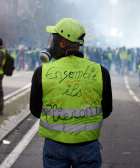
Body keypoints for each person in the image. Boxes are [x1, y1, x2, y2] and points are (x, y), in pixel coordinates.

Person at [30, 18, 113, 168]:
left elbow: (35, 111)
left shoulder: (42, 72)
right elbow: (106, 111)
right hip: (88, 147)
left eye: (52, 38)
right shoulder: (101, 72)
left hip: (55, 148)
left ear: (62, 43)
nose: (50, 42)